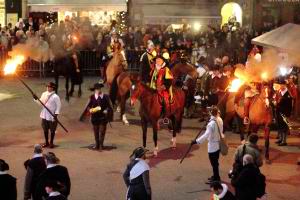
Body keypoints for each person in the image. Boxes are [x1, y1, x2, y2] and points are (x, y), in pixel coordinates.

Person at [192, 106, 224, 183]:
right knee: (216, 162)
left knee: (214, 163)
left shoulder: (211, 124)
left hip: (212, 145)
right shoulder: (220, 120)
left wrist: (196, 141)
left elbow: (206, 135)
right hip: (218, 143)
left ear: (210, 113)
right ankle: (216, 176)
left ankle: (216, 178)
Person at [33, 82, 61, 148]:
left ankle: (51, 142)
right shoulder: (44, 94)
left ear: (53, 88)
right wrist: (36, 99)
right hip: (44, 115)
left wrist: (56, 114)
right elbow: (40, 103)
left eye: (50, 87)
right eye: (47, 86)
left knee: (52, 130)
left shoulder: (56, 97)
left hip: (52, 116)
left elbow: (58, 106)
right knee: (45, 129)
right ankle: (46, 142)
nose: (48, 88)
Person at [86, 81, 114, 150]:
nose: (98, 90)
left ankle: (101, 144)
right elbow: (88, 106)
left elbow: (109, 106)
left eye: (99, 89)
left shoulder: (105, 96)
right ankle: (97, 144)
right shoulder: (91, 97)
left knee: (102, 131)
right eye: (97, 89)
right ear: (94, 90)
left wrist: (106, 110)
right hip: (95, 117)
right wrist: (90, 110)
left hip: (103, 117)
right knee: (96, 131)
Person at [150, 51, 174, 124]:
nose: (157, 61)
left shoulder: (166, 70)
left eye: (159, 60)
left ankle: (166, 116)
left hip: (163, 89)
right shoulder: (154, 69)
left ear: (163, 61)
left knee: (165, 100)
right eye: (156, 60)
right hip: (153, 89)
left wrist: (162, 87)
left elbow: (169, 81)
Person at [275, 79, 293, 146]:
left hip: (284, 113)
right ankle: (280, 139)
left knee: (284, 126)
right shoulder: (279, 92)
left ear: (284, 85)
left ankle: (284, 141)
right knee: (279, 126)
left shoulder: (288, 94)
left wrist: (288, 114)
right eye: (279, 85)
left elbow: (290, 106)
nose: (280, 86)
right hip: (278, 112)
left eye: (281, 85)